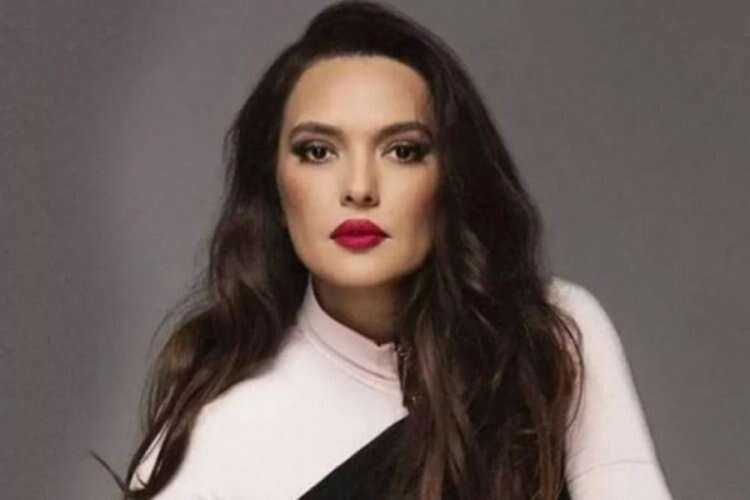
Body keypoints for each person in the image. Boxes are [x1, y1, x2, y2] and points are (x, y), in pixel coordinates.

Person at [123, 1, 673, 498]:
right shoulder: (219, 433)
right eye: (318, 151)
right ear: (273, 184)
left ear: (450, 176)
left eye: (402, 151)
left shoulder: (548, 338)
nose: (360, 188)